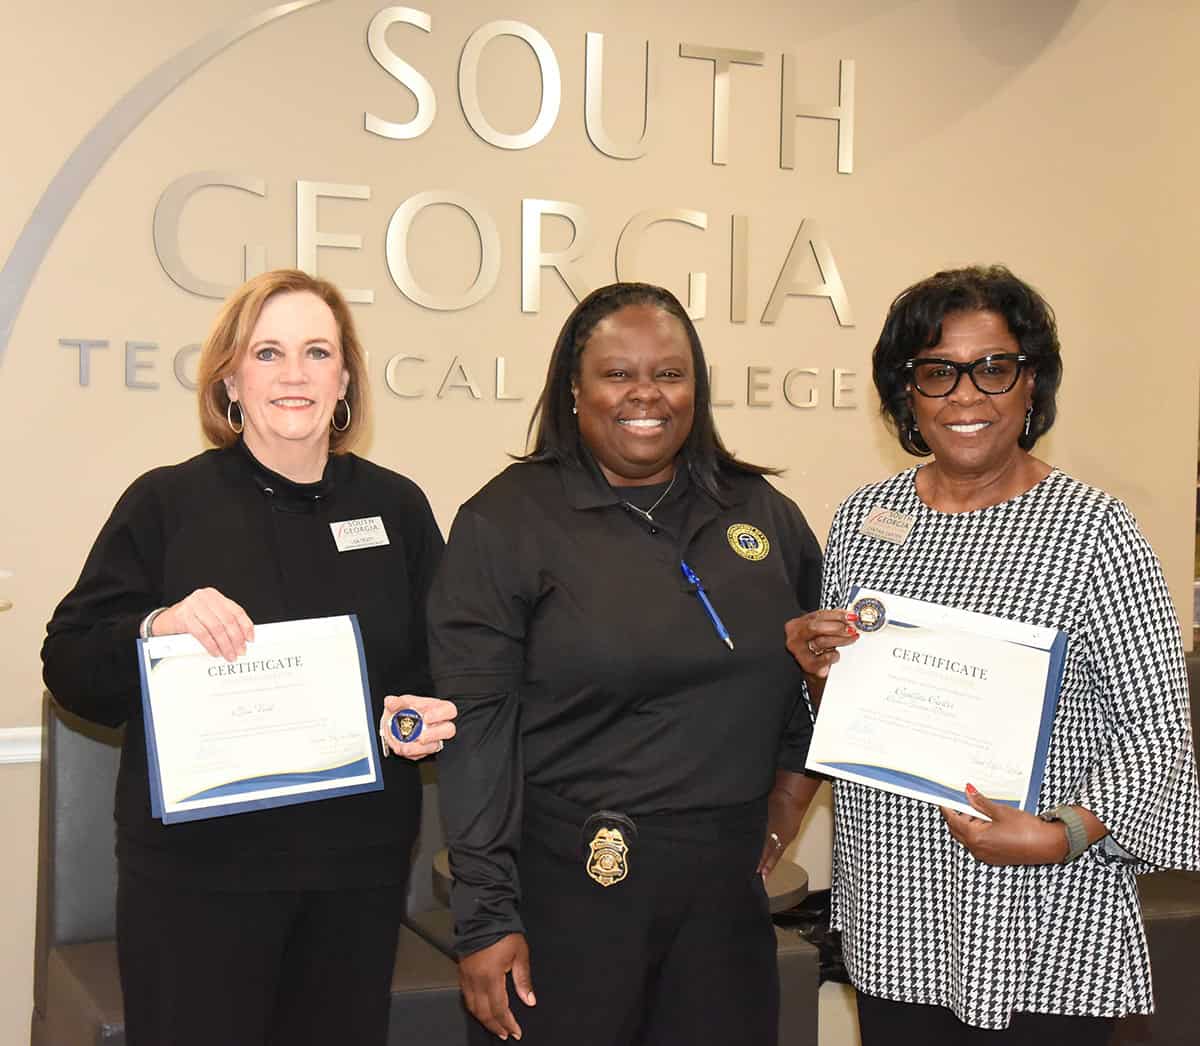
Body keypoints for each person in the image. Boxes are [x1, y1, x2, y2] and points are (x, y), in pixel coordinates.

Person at [41, 269, 457, 1046]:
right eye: (268, 353)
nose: (293, 373)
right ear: (231, 377)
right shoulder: (167, 503)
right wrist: (156, 624)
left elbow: (437, 669)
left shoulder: (396, 508)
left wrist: (414, 714)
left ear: (345, 380)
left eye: (316, 352)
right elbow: (68, 663)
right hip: (198, 884)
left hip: (354, 877)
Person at [786, 265, 1200, 1044]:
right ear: (906, 392)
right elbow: (843, 720)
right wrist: (817, 674)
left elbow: (1156, 734)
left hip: (1042, 915)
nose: (967, 397)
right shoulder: (863, 520)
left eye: (994, 368)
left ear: (1030, 383)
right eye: (938, 373)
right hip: (895, 911)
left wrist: (1059, 835)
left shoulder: (1094, 532)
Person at [428, 281, 824, 1045]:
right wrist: (484, 918)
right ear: (574, 389)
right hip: (569, 892)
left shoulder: (761, 513)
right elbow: (475, 733)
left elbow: (815, 674)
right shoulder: (504, 522)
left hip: (723, 901)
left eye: (670, 374)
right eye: (617, 374)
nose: (646, 394)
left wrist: (787, 795)